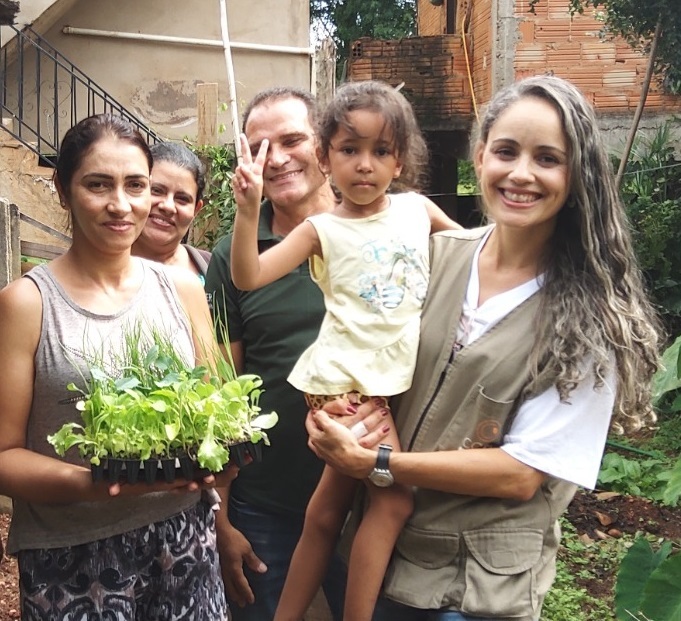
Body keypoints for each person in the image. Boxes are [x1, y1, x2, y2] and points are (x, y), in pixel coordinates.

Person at [302, 75, 662, 621]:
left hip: (473, 592)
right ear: (480, 156)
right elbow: (371, 348)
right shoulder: (436, 255)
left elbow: (521, 474)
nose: (521, 173)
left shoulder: (591, 321)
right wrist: (337, 410)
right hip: (380, 567)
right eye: (506, 151)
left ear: (577, 175)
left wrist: (377, 461)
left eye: (548, 158)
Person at [230, 80, 460, 621]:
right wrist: (247, 212)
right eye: (349, 150)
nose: (364, 165)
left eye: (380, 151)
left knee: (327, 511)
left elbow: (477, 254)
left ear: (399, 160)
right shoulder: (320, 229)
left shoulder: (418, 212)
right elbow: (249, 275)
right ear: (325, 156)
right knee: (393, 499)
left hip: (384, 383)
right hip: (344, 382)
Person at [0, 113, 233, 620]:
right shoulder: (27, 303)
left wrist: (224, 463)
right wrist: (100, 483)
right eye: (98, 185)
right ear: (63, 191)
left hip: (184, 537)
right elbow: (3, 454)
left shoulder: (186, 290)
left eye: (136, 185)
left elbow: (218, 414)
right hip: (73, 551)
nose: (121, 204)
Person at [204, 87, 348, 621]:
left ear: (326, 144)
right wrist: (221, 517)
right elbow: (224, 385)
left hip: (371, 494)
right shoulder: (232, 255)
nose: (278, 158)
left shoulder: (382, 229)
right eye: (261, 147)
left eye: (292, 140)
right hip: (266, 502)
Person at [132, 141, 212, 282]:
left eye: (182, 199)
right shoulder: (93, 271)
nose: (168, 206)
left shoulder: (215, 272)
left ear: (196, 209)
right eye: (156, 191)